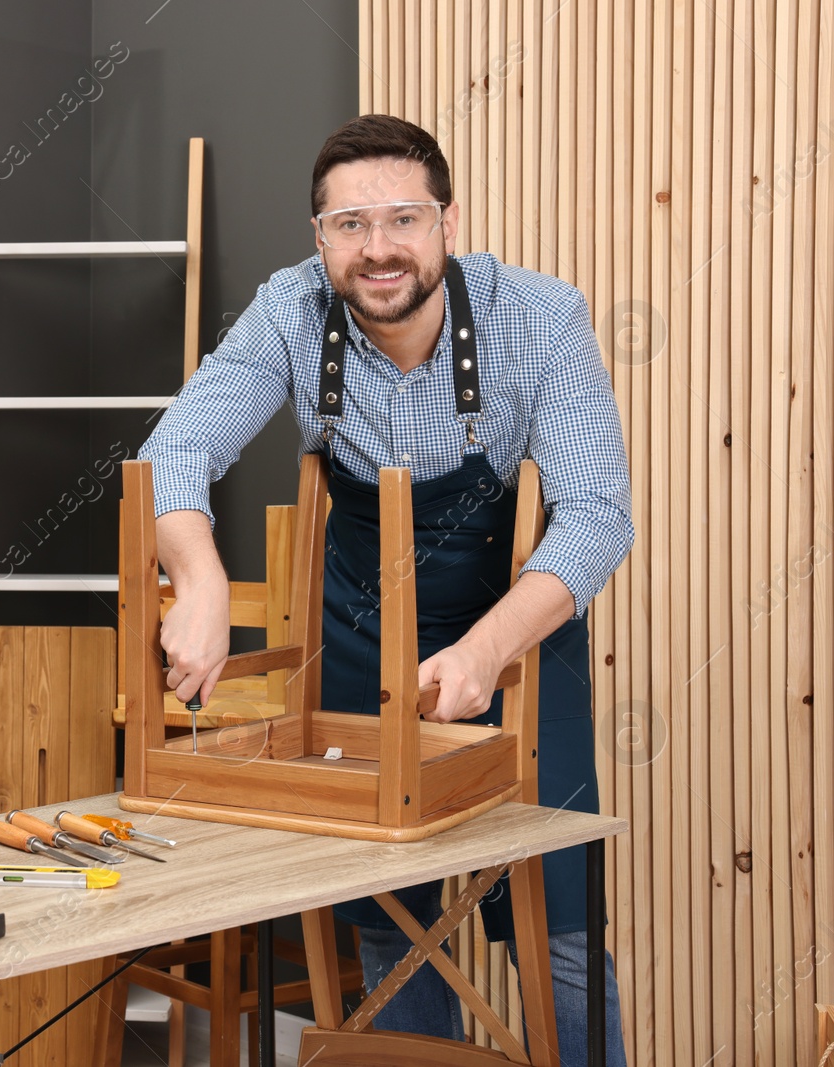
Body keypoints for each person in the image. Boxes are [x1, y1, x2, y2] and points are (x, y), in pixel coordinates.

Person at [138, 114, 633, 1065]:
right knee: (390, 929)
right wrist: (196, 579)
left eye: (402, 219)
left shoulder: (541, 316)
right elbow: (176, 451)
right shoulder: (289, 309)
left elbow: (598, 516)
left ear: (447, 221)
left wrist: (486, 652)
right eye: (349, 225)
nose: (378, 249)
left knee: (564, 927)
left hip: (518, 639)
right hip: (359, 633)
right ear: (319, 239)